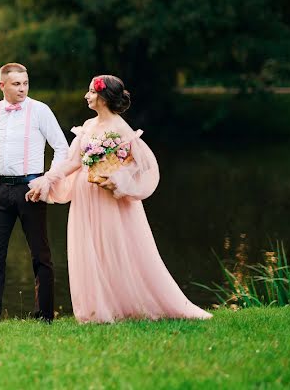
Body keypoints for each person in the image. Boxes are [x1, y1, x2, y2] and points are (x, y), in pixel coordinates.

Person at [26, 75, 212, 323]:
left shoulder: (121, 128)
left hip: (109, 199)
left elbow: (142, 164)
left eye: (91, 92)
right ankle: (96, 310)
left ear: (103, 97)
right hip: (85, 196)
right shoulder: (87, 125)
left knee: (113, 249)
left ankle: (124, 305)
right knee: (89, 248)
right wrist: (48, 180)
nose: (86, 96)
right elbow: (73, 161)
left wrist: (119, 180)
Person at [0, 63, 69, 322]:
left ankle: (45, 316)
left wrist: (46, 180)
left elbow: (62, 148)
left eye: (25, 83)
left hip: (32, 189)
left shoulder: (40, 111)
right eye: (16, 84)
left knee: (40, 254)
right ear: (2, 85)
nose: (22, 88)